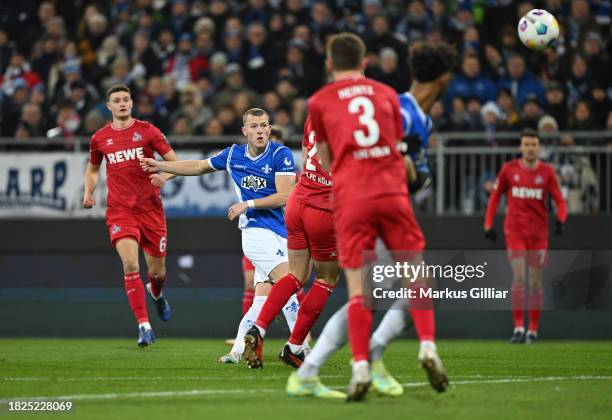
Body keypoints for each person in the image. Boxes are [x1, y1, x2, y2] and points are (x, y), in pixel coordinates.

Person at [287, 40, 457, 400]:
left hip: (353, 201)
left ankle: (361, 362)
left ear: (330, 62)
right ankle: (391, 353)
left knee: (366, 296)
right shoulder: (390, 100)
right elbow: (400, 157)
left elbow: (328, 156)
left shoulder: (320, 102)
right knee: (408, 285)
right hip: (387, 200)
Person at [140, 108, 300, 362]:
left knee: (262, 299)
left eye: (264, 126)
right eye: (254, 126)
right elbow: (199, 166)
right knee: (288, 285)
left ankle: (237, 350)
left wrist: (247, 204)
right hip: (256, 233)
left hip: (280, 232)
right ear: (244, 131)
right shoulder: (233, 155)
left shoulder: (281, 154)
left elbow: (285, 195)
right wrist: (161, 165)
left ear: (270, 129)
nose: (260, 131)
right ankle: (301, 349)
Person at [243, 115, 340, 385]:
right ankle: (294, 346)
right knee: (327, 278)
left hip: (298, 200)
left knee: (296, 274)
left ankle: (259, 328)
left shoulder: (315, 114)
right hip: (324, 205)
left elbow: (308, 153)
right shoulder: (355, 117)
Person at [83, 83, 177, 347]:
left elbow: (174, 161)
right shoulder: (100, 138)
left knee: (157, 273)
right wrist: (88, 192)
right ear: (109, 106)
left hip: (151, 211)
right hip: (120, 211)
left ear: (131, 103)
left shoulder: (148, 131)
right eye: (117, 100)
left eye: (126, 99)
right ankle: (144, 326)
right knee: (131, 265)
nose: (122, 103)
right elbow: (92, 169)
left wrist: (164, 174)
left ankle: (156, 294)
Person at [484, 129, 567, 344]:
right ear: (521, 147)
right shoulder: (509, 170)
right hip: (515, 231)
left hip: (539, 234)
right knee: (520, 278)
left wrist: (561, 219)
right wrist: (488, 224)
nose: (530, 148)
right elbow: (495, 197)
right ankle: (519, 327)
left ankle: (533, 330)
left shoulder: (547, 172)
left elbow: (559, 199)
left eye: (534, 144)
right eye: (526, 144)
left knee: (536, 284)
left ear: (539, 148)